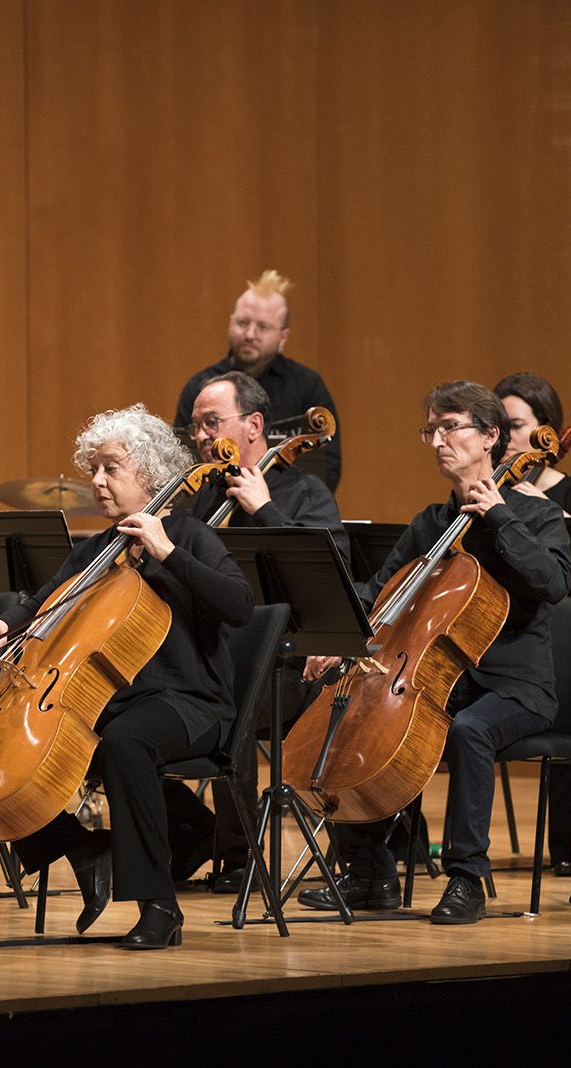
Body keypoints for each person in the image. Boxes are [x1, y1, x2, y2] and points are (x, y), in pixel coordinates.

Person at [0, 405, 253, 950]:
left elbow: (240, 606)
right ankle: (89, 847)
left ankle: (158, 907)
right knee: (8, 746)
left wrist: (166, 551)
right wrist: (3, 622)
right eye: (93, 469)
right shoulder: (96, 550)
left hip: (191, 705)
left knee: (126, 742)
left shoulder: (191, 537)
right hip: (114, 703)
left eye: (111, 469)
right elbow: (44, 603)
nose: (96, 481)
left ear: (148, 471)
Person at [298, 381, 571, 924]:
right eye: (432, 430)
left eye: (451, 427)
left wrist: (499, 516)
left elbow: (554, 582)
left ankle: (467, 877)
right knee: (354, 711)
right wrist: (336, 639)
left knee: (469, 729)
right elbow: (379, 591)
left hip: (515, 685)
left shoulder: (537, 516)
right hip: (440, 676)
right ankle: (367, 870)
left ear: (491, 436)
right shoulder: (431, 522)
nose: (438, 441)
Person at [164, 370, 348, 890]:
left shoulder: (304, 492)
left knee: (235, 697)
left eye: (211, 422)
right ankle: (195, 830)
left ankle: (239, 855)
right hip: (209, 656)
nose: (200, 436)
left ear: (254, 425)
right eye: (195, 426)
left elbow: (328, 576)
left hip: (292, 668)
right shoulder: (201, 499)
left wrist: (264, 511)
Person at [494, 372, 571, 877]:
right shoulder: (488, 493)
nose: (505, 436)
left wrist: (537, 516)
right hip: (504, 637)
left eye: (516, 425)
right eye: (498, 425)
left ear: (548, 431)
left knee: (562, 686)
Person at [174, 269, 343, 492]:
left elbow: (327, 465)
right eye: (243, 323)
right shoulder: (200, 387)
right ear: (230, 322)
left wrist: (283, 506)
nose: (250, 334)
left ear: (283, 337)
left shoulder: (306, 385)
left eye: (263, 327)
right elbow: (180, 459)